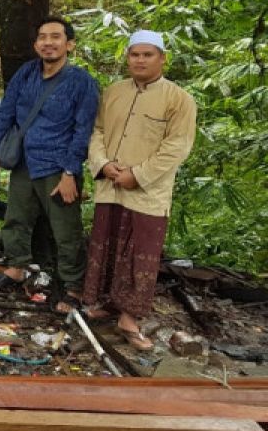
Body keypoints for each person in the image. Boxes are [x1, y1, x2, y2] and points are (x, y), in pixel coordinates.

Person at [82, 30, 197, 350]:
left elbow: (178, 146)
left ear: (162, 59)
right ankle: (106, 303)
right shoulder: (114, 92)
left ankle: (129, 318)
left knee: (140, 255)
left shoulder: (178, 99)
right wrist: (103, 164)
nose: (140, 60)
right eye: (135, 54)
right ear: (128, 58)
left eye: (148, 55)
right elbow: (99, 131)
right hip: (111, 185)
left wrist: (138, 175)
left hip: (148, 191)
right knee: (106, 246)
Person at [0, 16, 99, 314]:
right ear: (36, 44)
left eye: (56, 37)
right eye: (43, 37)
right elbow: (7, 113)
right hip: (24, 162)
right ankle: (16, 267)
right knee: (16, 220)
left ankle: (72, 286)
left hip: (58, 166)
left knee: (65, 231)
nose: (48, 42)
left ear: (69, 44)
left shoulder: (82, 82)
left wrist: (71, 172)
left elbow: (82, 130)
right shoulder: (26, 73)